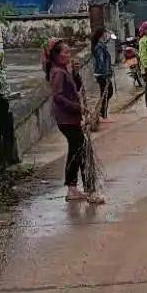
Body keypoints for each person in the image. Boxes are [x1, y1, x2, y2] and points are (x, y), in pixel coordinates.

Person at [44, 39, 90, 201]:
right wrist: (77, 108)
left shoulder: (64, 70)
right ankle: (72, 188)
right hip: (66, 119)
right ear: (57, 55)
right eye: (66, 52)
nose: (69, 55)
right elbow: (58, 97)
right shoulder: (58, 73)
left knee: (78, 150)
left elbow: (74, 89)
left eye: (70, 52)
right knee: (78, 151)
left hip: (71, 118)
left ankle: (77, 186)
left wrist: (75, 73)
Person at [90, 27, 114, 120]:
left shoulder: (100, 44)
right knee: (107, 92)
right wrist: (105, 72)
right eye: (105, 33)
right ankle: (102, 113)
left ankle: (102, 112)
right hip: (102, 74)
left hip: (102, 73)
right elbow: (101, 60)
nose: (106, 35)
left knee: (106, 92)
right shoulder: (99, 46)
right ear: (102, 34)